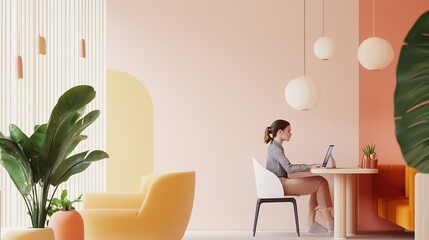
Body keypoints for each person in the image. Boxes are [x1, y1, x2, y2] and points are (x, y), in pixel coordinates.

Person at [264, 119, 334, 234]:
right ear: (280, 132)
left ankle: (312, 223)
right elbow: (289, 168)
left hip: (280, 183)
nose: (291, 133)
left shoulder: (275, 147)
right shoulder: (275, 148)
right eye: (289, 130)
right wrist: (309, 166)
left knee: (318, 183)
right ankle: (329, 219)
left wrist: (309, 167)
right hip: (280, 184)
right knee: (320, 182)